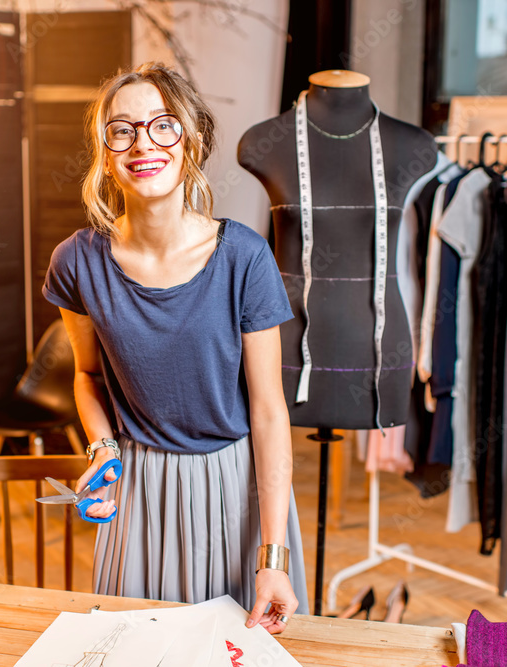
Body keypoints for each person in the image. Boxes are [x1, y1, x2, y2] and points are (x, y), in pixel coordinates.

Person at [42, 62, 309, 632]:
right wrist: (103, 449)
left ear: (191, 139)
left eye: (163, 125)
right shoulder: (77, 262)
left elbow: (267, 411)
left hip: (236, 490)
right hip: (138, 493)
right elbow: (87, 378)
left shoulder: (244, 257)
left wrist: (273, 556)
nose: (144, 143)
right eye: (123, 130)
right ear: (106, 153)